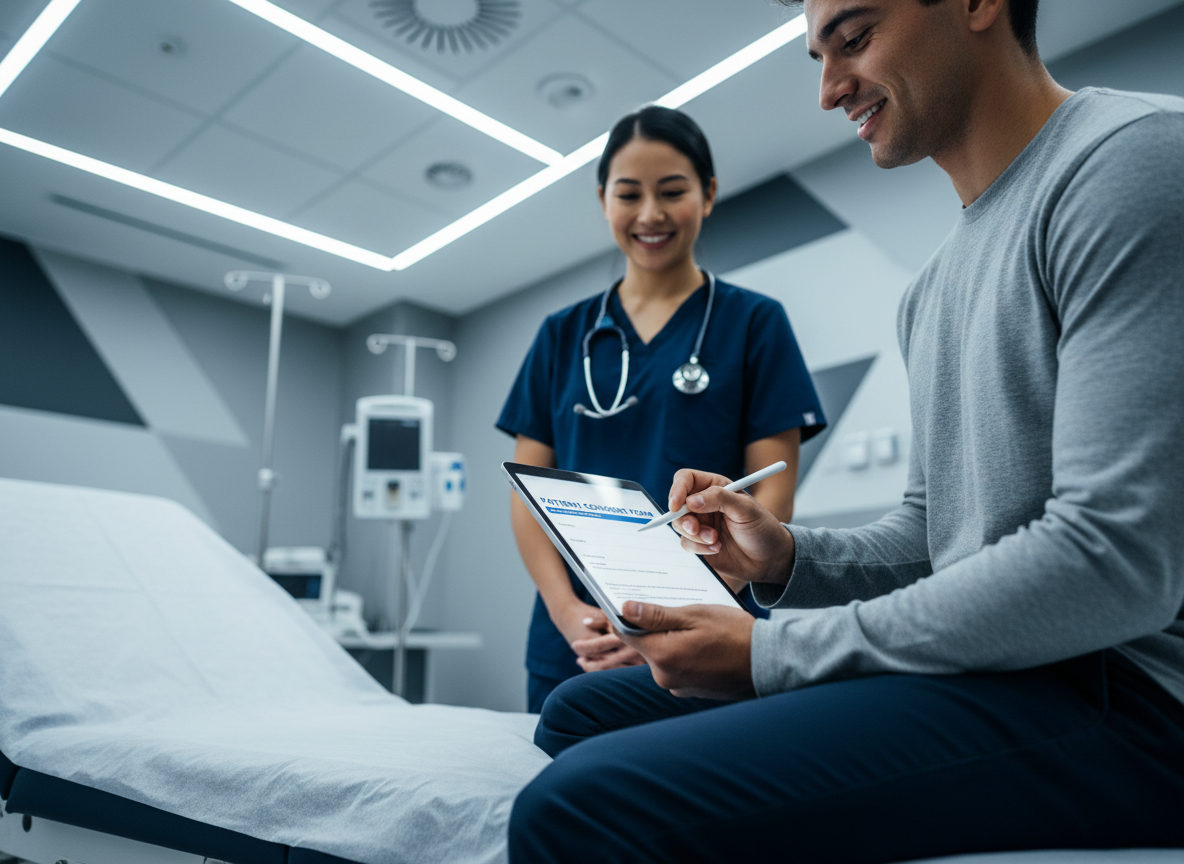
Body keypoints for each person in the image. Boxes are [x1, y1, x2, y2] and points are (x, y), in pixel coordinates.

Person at [509, 0, 1184, 860]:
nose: (829, 91)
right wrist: (788, 557)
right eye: (818, 57)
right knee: (578, 714)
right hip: (1004, 663)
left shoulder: (1126, 164)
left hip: (1123, 686)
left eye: (855, 40)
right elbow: (934, 530)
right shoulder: (932, 288)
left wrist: (771, 651)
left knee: (576, 809)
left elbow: (1113, 562)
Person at [497, 106, 826, 713]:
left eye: (672, 191)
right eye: (629, 194)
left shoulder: (755, 324)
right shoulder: (561, 336)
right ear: (604, 201)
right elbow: (527, 500)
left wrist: (693, 611)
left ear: (707, 195)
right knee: (563, 792)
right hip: (579, 641)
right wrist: (569, 614)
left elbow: (772, 500)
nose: (650, 214)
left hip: (709, 633)